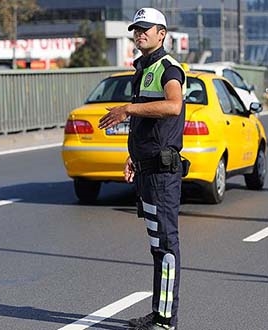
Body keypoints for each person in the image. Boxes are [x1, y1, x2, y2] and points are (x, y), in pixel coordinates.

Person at [98, 7, 185, 330]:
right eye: (136, 29)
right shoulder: (143, 67)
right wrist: (133, 156)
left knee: (166, 245)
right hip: (147, 168)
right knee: (156, 246)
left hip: (163, 174)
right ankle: (160, 312)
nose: (139, 33)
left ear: (162, 33)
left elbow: (173, 105)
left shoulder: (168, 67)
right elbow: (146, 125)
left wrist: (127, 109)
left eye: (146, 29)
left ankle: (166, 320)